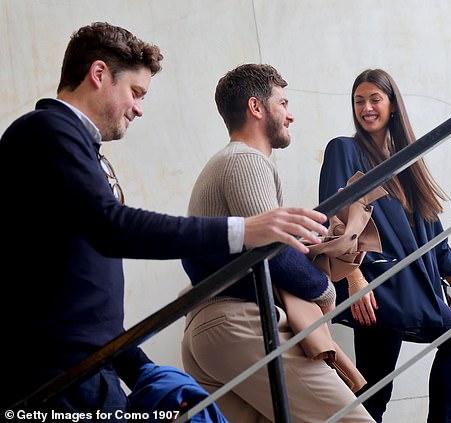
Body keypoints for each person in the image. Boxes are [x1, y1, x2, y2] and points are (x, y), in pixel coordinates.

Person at [0, 22, 328, 418]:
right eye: (136, 93)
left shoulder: (78, 145)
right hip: (52, 380)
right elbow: (112, 228)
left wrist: (138, 367)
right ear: (99, 74)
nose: (139, 108)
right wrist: (246, 230)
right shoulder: (46, 131)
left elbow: (83, 284)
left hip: (89, 374)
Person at [180, 63, 374, 422]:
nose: (291, 115)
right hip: (240, 325)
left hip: (211, 331)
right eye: (283, 103)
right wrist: (324, 292)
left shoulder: (226, 163)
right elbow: (272, 250)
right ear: (256, 108)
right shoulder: (245, 160)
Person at [319, 68, 451, 423]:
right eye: (359, 101)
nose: (367, 107)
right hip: (378, 284)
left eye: (375, 99)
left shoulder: (407, 162)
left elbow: (434, 229)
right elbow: (335, 216)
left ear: (392, 106)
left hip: (412, 283)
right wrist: (354, 278)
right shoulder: (343, 150)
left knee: (373, 393)